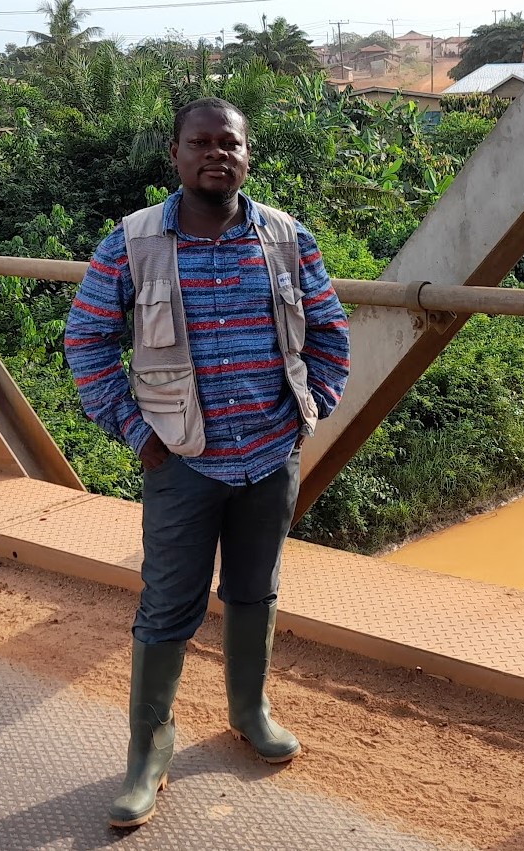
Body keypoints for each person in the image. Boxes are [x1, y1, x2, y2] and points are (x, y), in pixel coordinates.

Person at [64, 97, 350, 829]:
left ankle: (249, 711)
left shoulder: (287, 238)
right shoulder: (131, 243)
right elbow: (87, 342)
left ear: (247, 156)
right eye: (200, 142)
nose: (216, 154)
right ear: (175, 154)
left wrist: (310, 408)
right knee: (168, 604)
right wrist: (135, 431)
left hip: (270, 456)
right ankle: (148, 754)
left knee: (256, 588)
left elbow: (329, 330)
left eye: (230, 143)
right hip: (182, 461)